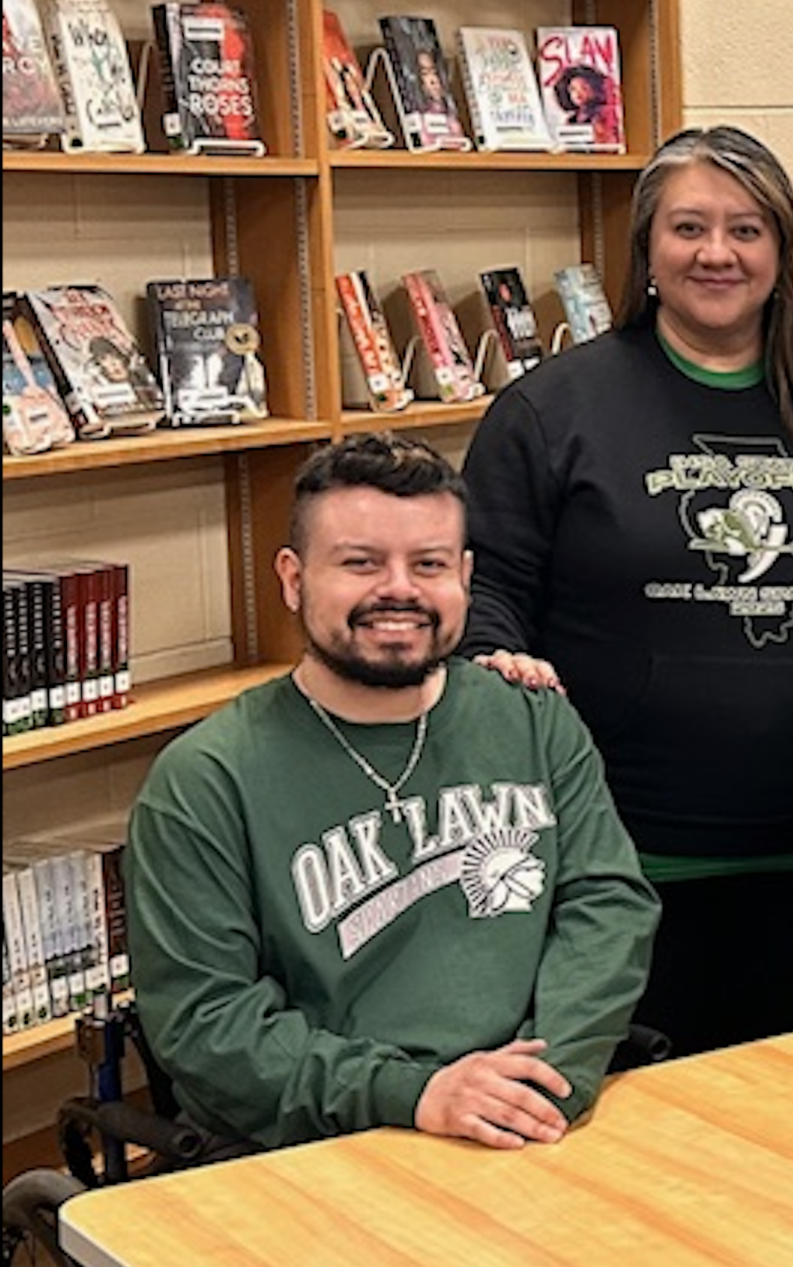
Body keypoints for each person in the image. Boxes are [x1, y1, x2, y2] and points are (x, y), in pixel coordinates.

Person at [460, 126, 793, 1058]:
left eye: (747, 229)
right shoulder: (552, 412)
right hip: (621, 873)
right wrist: (495, 660)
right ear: (647, 247)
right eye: (689, 227)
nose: (717, 253)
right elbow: (488, 589)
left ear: (783, 252)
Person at [125, 433, 659, 1152]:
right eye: (360, 563)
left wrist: (539, 1083)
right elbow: (207, 1023)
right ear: (292, 578)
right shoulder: (205, 779)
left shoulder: (534, 719)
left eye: (429, 564)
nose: (399, 589)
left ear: (465, 576)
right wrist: (416, 1094)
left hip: (529, 1122)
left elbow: (608, 908)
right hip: (318, 1146)